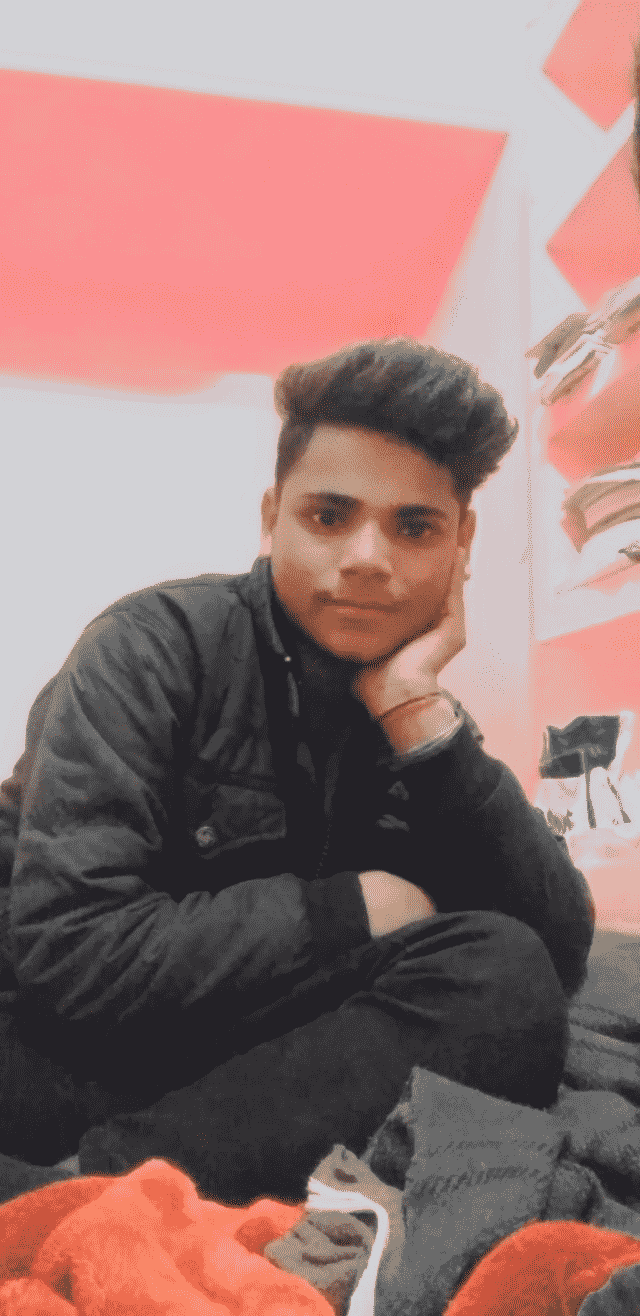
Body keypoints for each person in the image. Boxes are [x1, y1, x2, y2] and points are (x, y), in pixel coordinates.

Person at [0, 338, 593, 1203]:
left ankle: (106, 1180)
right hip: (57, 1034)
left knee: (500, 981)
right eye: (328, 516)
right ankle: (90, 1192)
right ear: (272, 516)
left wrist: (415, 715)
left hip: (237, 1050)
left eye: (415, 527)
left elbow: (551, 955)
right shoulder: (152, 646)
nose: (367, 557)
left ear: (462, 543)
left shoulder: (418, 720)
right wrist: (351, 909)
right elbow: (71, 954)